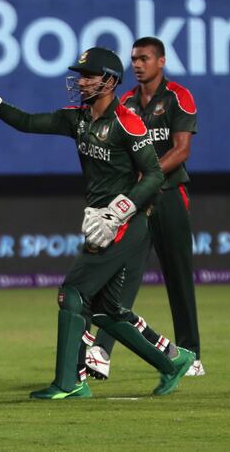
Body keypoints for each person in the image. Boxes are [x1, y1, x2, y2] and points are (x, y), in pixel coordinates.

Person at [0, 47, 195, 399]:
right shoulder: (75, 118)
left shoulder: (128, 121)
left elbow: (154, 175)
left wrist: (118, 210)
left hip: (125, 223)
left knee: (73, 293)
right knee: (109, 312)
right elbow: (26, 121)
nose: (81, 82)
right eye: (81, 76)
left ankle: (69, 382)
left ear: (109, 81)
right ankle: (172, 363)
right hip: (101, 221)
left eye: (89, 76)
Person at [86, 37, 203, 379]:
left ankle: (190, 354)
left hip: (168, 194)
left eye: (144, 58)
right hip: (136, 200)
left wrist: (146, 175)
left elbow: (182, 151)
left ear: (161, 61)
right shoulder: (125, 102)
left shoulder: (178, 97)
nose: (137, 64)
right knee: (121, 275)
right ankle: (101, 353)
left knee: (178, 275)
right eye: (134, 59)